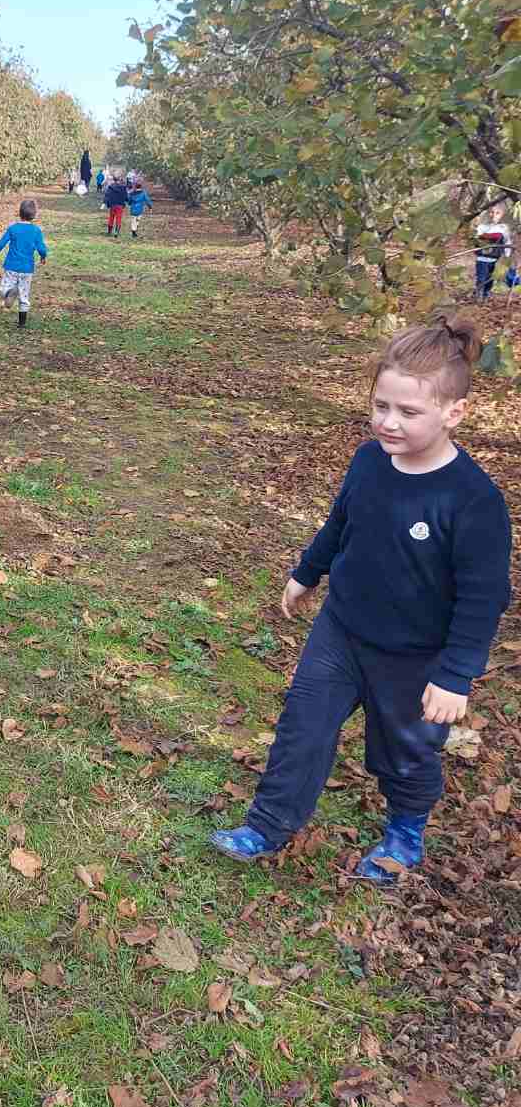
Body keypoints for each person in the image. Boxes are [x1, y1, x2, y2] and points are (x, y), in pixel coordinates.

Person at [211, 315, 511, 885]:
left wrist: (455, 676)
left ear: (454, 413)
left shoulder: (472, 501)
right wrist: (307, 573)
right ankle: (268, 825)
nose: (388, 422)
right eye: (381, 406)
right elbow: (340, 523)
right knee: (303, 729)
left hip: (414, 657)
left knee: (405, 750)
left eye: (408, 412)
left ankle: (404, 833)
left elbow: (484, 598)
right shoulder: (369, 461)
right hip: (341, 632)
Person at [0, 197, 48, 329]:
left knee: (3, 290)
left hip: (11, 266)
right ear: (34, 215)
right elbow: (42, 248)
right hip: (27, 268)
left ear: (19, 213)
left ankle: (9, 294)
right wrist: (43, 257)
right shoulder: (36, 231)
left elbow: (0, 245)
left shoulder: (13, 228)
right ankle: (22, 324)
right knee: (24, 295)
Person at [474, 206, 512, 301]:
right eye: (491, 212)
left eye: (497, 213)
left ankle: (486, 295)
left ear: (502, 215)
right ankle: (478, 295)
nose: (493, 215)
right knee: (481, 278)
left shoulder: (503, 228)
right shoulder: (482, 227)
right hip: (482, 259)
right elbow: (476, 240)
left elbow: (507, 243)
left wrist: (506, 256)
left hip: (496, 259)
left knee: (490, 279)